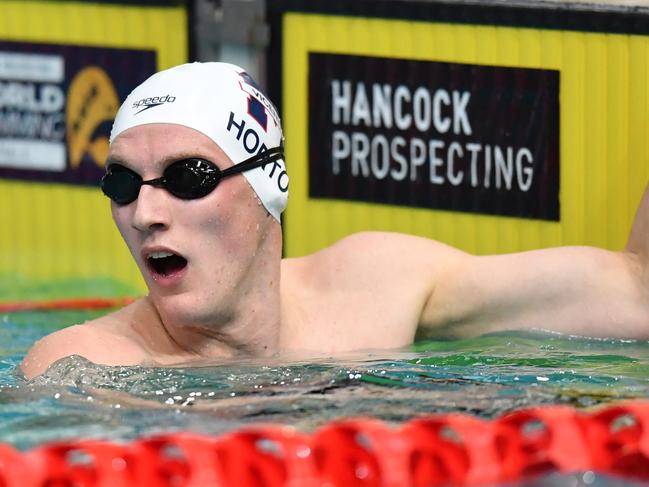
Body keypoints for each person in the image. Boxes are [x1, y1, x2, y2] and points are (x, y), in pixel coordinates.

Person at [20, 62, 649, 379]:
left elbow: (637, 294)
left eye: (189, 179)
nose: (146, 214)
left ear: (270, 185)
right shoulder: (85, 367)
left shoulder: (382, 288)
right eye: (123, 184)